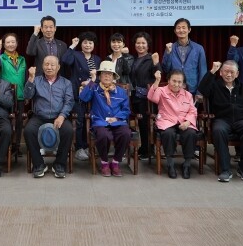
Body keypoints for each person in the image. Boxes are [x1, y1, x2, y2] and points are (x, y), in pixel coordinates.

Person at [198, 60, 243, 183]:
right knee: (218, 130)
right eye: (226, 71)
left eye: (232, 72)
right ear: (221, 72)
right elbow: (202, 89)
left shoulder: (242, 87)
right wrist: (212, 71)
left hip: (241, 120)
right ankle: (225, 170)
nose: (229, 74)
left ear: (237, 74)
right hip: (222, 119)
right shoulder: (214, 85)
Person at [23, 56, 74, 178]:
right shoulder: (36, 80)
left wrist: (62, 116)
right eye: (46, 64)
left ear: (58, 67)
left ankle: (59, 164)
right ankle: (39, 164)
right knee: (28, 131)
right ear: (42, 66)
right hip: (39, 116)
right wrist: (30, 78)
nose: (49, 67)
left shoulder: (66, 83)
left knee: (68, 130)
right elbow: (27, 96)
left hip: (58, 116)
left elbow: (69, 102)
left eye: (52, 65)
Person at [79, 61, 131, 177]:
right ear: (100, 76)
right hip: (100, 121)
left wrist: (116, 118)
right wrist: (92, 80)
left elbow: (126, 110)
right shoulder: (94, 88)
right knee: (103, 135)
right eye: (104, 74)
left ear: (113, 77)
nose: (107, 76)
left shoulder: (121, 92)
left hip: (117, 121)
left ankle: (116, 162)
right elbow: (83, 98)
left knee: (126, 133)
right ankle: (104, 162)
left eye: (110, 74)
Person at [148, 69, 198, 179]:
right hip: (167, 121)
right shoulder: (161, 90)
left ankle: (187, 164)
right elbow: (152, 97)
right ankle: (170, 164)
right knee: (168, 134)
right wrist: (157, 81)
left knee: (191, 133)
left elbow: (192, 111)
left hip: (184, 121)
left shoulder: (188, 95)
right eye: (174, 81)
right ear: (168, 80)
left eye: (179, 82)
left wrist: (188, 122)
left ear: (183, 83)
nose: (176, 84)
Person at [61, 31, 101, 162]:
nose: (88, 45)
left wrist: (91, 82)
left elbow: (100, 77)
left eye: (90, 43)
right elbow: (65, 60)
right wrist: (72, 46)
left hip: (93, 94)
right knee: (79, 120)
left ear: (94, 45)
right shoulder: (76, 54)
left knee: (93, 120)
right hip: (78, 93)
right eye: (85, 43)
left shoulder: (97, 59)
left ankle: (91, 146)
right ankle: (79, 147)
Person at [0, 33, 26, 157]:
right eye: (8, 42)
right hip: (5, 95)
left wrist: (26, 95)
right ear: (4, 44)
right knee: (6, 122)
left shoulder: (22, 59)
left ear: (17, 44)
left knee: (19, 123)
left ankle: (16, 147)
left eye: (13, 42)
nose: (11, 44)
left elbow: (24, 78)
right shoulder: (1, 58)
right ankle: (5, 147)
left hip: (20, 96)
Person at [129, 32, 160, 160]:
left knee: (146, 124)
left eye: (143, 43)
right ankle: (143, 148)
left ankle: (148, 150)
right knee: (140, 123)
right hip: (135, 97)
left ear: (148, 45)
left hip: (147, 98)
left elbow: (157, 74)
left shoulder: (151, 58)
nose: (140, 45)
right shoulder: (134, 59)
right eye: (138, 43)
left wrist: (156, 63)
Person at [161, 18, 207, 97]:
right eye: (178, 28)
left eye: (183, 27)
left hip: (192, 90)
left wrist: (200, 92)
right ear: (175, 31)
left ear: (189, 30)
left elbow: (203, 72)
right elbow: (166, 69)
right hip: (174, 89)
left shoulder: (199, 48)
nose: (181, 30)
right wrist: (168, 53)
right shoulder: (170, 47)